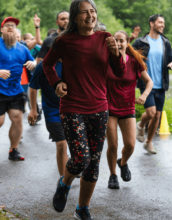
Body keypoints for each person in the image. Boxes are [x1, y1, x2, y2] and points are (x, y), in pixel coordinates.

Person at [43, 1, 126, 219]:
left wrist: (116, 53)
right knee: (81, 158)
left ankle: (82, 209)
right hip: (72, 107)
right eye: (84, 12)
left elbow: (119, 71)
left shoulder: (105, 38)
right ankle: (64, 183)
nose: (90, 15)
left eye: (93, 11)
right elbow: (47, 64)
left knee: (93, 164)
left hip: (99, 108)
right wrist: (56, 83)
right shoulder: (64, 41)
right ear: (74, 17)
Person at [0, 16, 36, 162]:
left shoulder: (22, 48)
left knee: (17, 117)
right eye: (7, 25)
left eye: (13, 25)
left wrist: (33, 64)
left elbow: (33, 60)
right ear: (2, 29)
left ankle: (13, 150)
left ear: (16, 30)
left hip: (15, 90)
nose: (11, 27)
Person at [106, 30, 153, 189]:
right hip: (109, 108)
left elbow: (149, 82)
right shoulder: (106, 60)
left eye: (121, 40)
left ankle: (122, 162)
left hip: (127, 108)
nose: (118, 43)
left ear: (127, 43)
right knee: (112, 145)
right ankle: (112, 175)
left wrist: (145, 95)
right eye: (115, 40)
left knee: (131, 145)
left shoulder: (134, 62)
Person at [133, 14, 172, 154]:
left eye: (163, 22)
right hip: (146, 83)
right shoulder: (141, 42)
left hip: (161, 83)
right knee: (151, 113)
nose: (163, 25)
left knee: (157, 115)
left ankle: (149, 142)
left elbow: (171, 59)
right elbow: (130, 57)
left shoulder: (165, 42)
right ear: (152, 24)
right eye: (160, 22)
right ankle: (140, 125)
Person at [28, 60, 69, 176]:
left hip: (72, 110)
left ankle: (71, 168)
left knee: (72, 145)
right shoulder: (44, 65)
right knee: (61, 143)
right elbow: (33, 86)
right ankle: (63, 180)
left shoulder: (74, 61)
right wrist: (33, 109)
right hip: (53, 112)